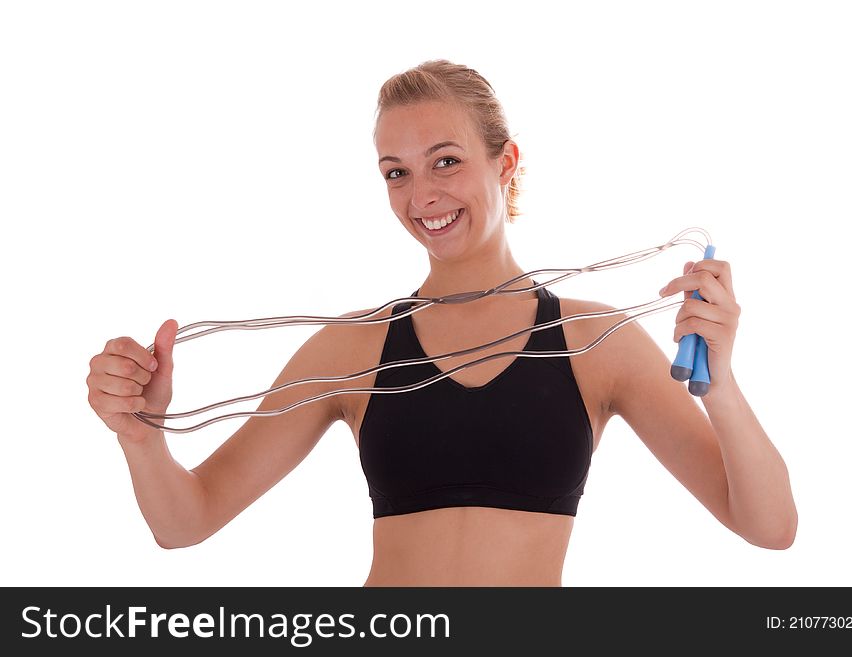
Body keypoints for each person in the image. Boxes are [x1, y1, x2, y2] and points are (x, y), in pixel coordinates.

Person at [86, 59, 798, 586]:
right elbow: (187, 522)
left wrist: (722, 385)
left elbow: (768, 527)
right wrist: (139, 437)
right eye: (396, 172)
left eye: (445, 162)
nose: (422, 195)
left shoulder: (597, 341)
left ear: (506, 163)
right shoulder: (353, 347)